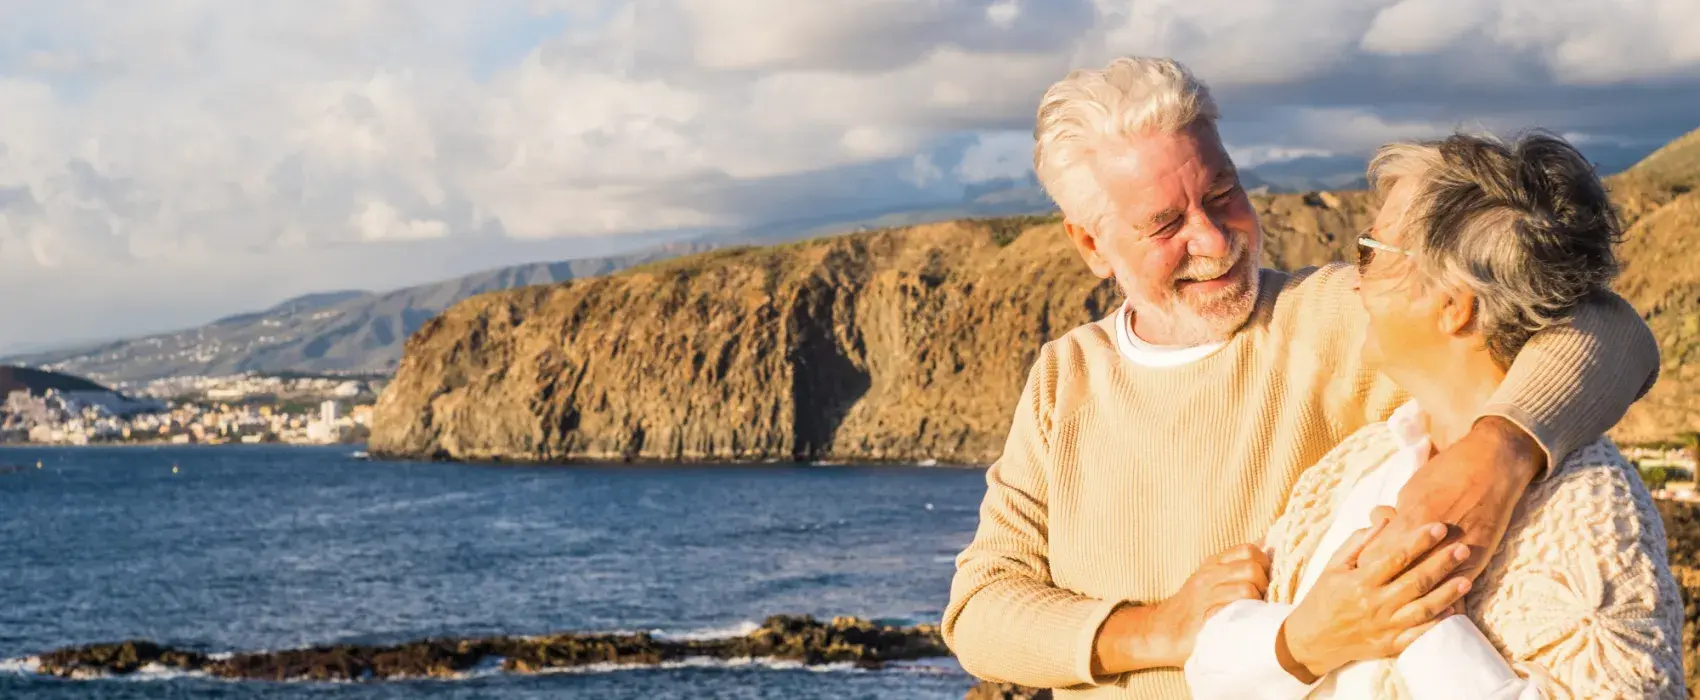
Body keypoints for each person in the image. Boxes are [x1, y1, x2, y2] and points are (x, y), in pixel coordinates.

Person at [941, 57, 1661, 699]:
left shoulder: (1348, 313)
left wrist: (1501, 450)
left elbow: (1609, 328)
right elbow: (979, 610)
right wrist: (1160, 630)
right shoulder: (1066, 376)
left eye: (1222, 193)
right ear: (1091, 244)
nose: (1216, 239)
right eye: (1165, 225)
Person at [1182, 132, 1685, 698]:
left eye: (1370, 249)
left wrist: (1415, 619)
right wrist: (1309, 637)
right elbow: (1209, 667)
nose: (1352, 275)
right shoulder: (1360, 463)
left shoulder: (1590, 520)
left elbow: (1620, 332)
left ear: (1453, 305)